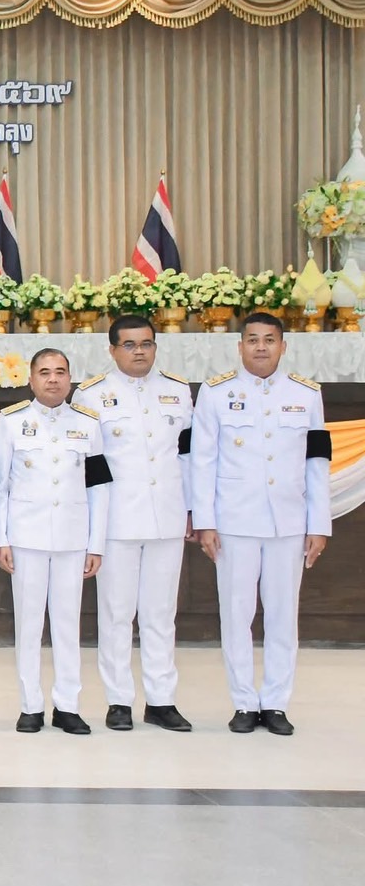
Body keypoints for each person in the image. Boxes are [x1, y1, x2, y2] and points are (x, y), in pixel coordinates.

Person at [191, 312, 330, 735]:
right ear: (240, 346)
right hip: (235, 521)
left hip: (288, 521)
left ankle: (275, 702)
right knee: (237, 613)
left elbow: (317, 464)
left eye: (270, 340)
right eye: (253, 340)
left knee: (283, 614)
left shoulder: (306, 395)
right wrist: (206, 521)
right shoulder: (216, 394)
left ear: (283, 346)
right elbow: (203, 461)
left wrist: (318, 523)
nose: (261, 347)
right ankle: (244, 702)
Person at [71, 315, 195, 733]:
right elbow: (88, 469)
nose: (139, 351)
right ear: (112, 350)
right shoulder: (91, 395)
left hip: (168, 517)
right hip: (118, 520)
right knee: (116, 613)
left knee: (162, 614)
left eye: (146, 343)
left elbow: (188, 458)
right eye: (129, 345)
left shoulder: (178, 392)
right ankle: (119, 700)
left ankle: (162, 699)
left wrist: (193, 510)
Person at [0, 348, 112, 735]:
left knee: (67, 625)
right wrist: (1, 539)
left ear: (70, 379)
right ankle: (30, 705)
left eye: (60, 372)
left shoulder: (88, 424)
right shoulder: (12, 423)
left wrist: (96, 544)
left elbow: (99, 488)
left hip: (72, 538)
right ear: (30, 379)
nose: (53, 379)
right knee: (28, 625)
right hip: (26, 538)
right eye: (44, 373)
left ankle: (68, 705)